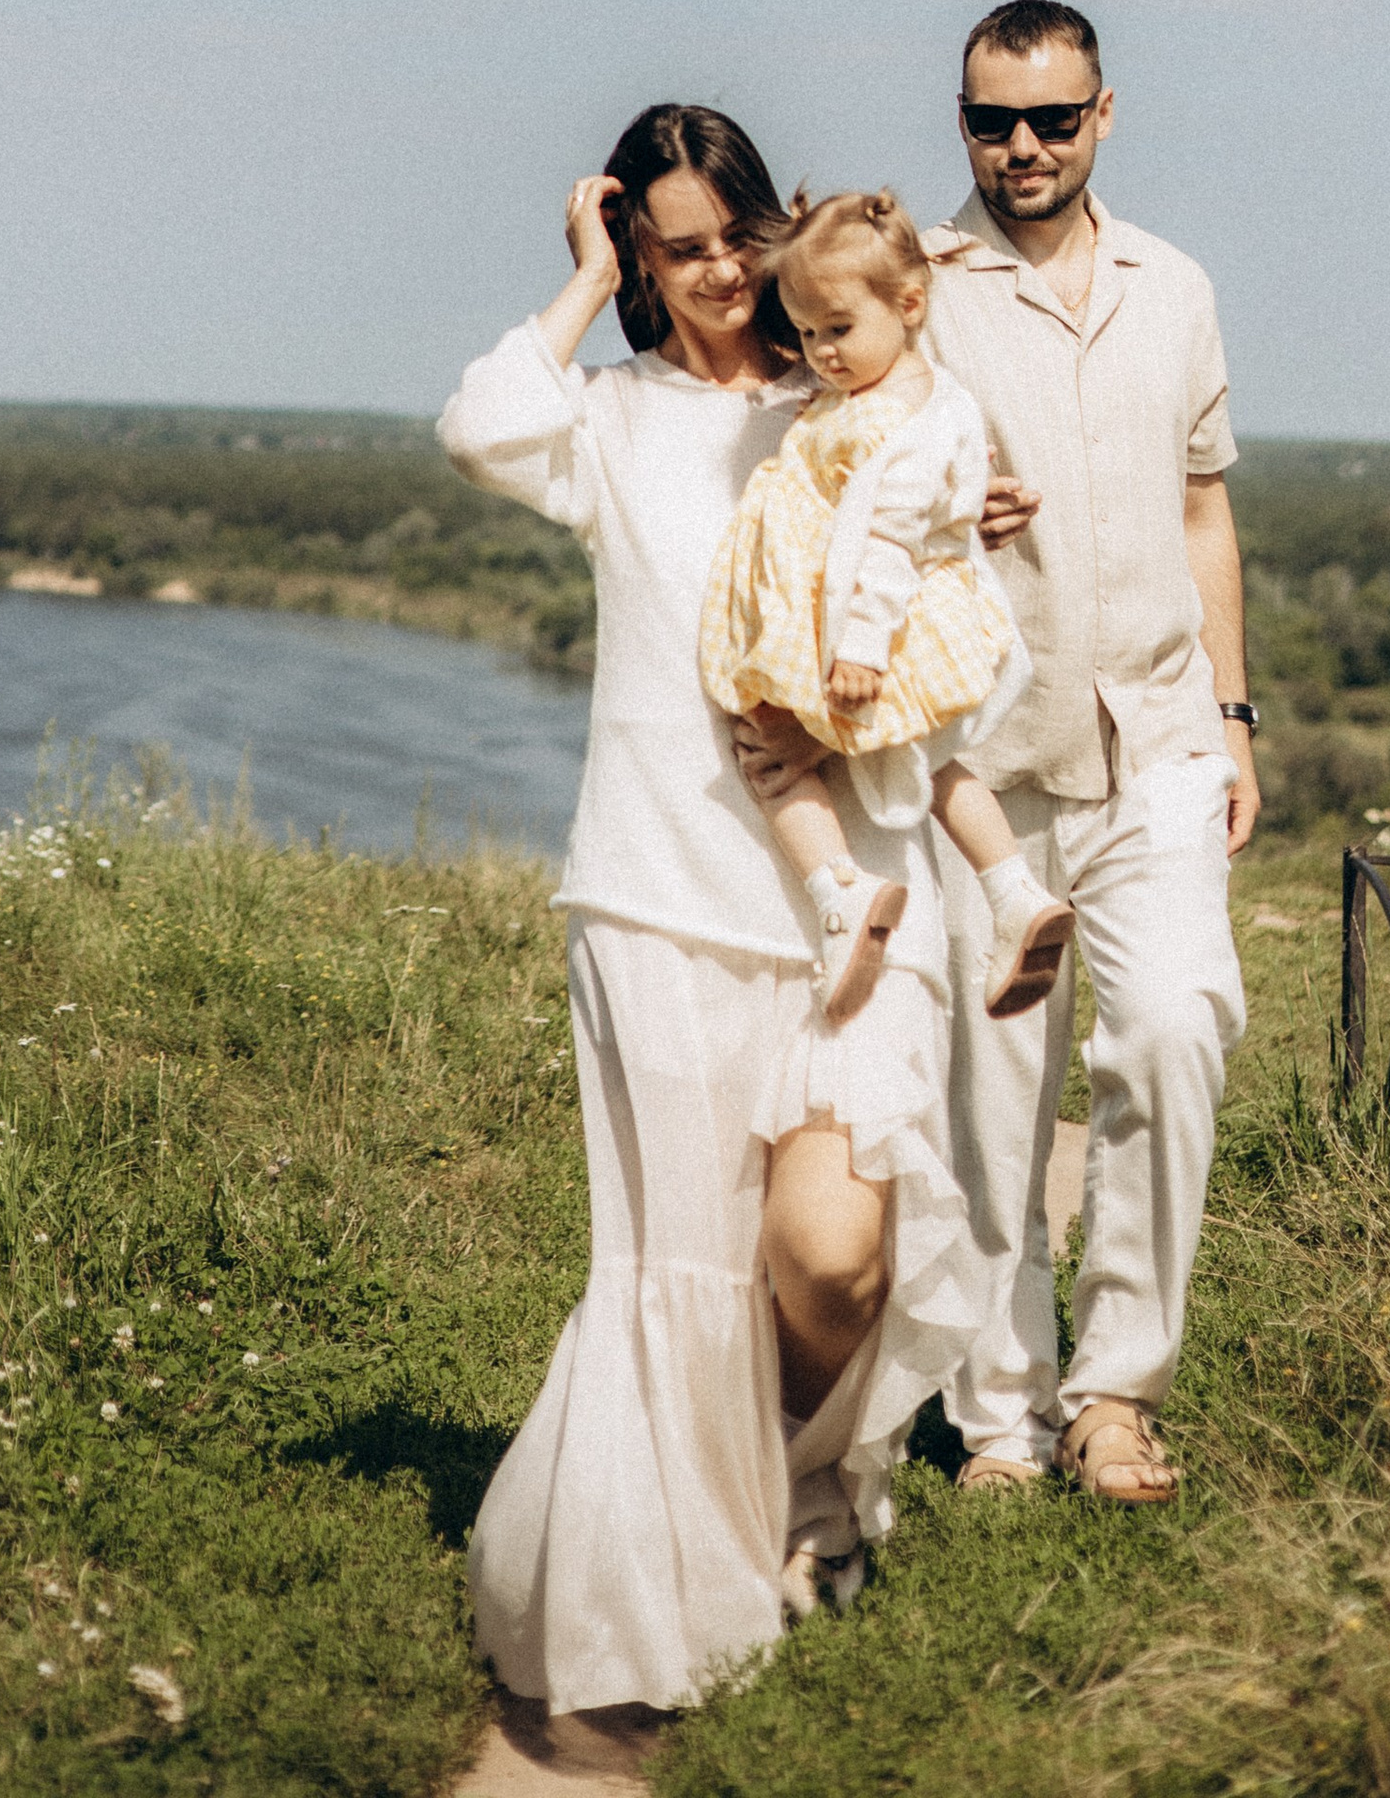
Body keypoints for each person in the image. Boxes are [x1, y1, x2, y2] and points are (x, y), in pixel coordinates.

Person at [441, 104, 982, 1747]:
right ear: (636, 260)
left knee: (831, 1255)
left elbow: (935, 517)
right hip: (658, 900)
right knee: (678, 1267)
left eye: (736, 239)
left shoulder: (840, 398)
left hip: (845, 912)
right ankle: (699, 1578)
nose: (720, 277)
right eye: (675, 252)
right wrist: (578, 278)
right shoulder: (609, 416)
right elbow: (478, 421)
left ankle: (791, 1491)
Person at [919, 0, 1255, 1509]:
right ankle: (998, 1415)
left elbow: (1205, 509)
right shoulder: (914, 288)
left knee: (1176, 1028)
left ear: (1105, 114)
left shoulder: (1173, 285)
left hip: (1164, 733)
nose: (1025, 147)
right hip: (986, 764)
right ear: (966, 123)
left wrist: (1237, 716)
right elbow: (820, 484)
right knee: (995, 1095)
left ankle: (1114, 1392)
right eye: (995, 120)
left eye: (1055, 117)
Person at [697, 186, 1076, 1029]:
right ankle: (1012, 892)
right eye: (804, 332)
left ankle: (840, 890)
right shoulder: (904, 396)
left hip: (873, 627)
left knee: (765, 737)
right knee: (938, 766)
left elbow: (890, 545)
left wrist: (860, 648)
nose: (820, 352)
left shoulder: (900, 427)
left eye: (836, 329)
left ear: (909, 305)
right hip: (890, 620)